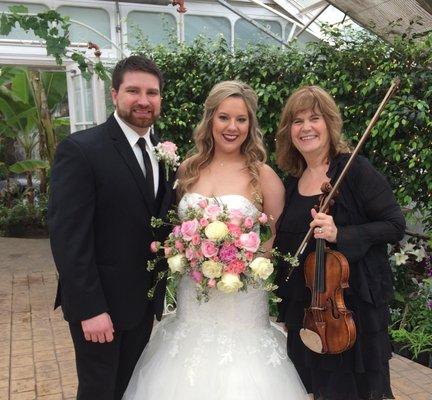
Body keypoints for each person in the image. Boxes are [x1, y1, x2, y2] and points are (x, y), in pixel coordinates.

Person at [123, 81, 308, 400]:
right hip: (192, 301)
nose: (232, 127)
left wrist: (236, 263)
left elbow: (274, 239)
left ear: (251, 125)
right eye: (224, 117)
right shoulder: (187, 170)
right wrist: (188, 252)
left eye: (241, 119)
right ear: (210, 120)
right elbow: (174, 229)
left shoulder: (262, 176)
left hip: (242, 305)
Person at [48, 55, 175, 400]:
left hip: (142, 303)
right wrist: (90, 309)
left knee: (130, 389)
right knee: (99, 391)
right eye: (133, 90)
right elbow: (68, 239)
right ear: (114, 94)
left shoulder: (161, 150)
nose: (144, 100)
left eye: (152, 92)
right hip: (100, 307)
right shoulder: (81, 150)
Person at [274, 85, 406, 400]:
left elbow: (394, 225)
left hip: (349, 310)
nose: (305, 127)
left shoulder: (355, 170)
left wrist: (340, 234)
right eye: (297, 120)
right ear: (289, 131)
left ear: (329, 124)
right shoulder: (292, 182)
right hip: (307, 311)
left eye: (314, 118)